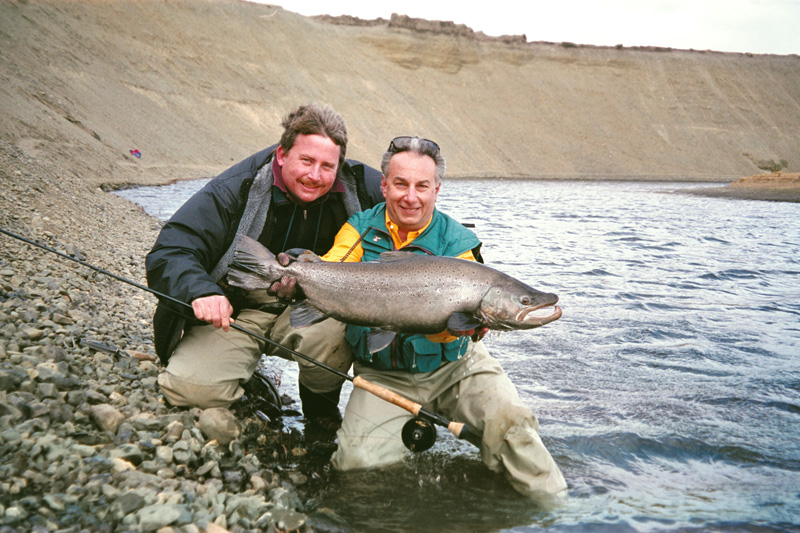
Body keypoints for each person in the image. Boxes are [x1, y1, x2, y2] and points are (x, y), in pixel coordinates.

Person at [320, 136, 568, 498]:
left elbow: (465, 327)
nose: (411, 197)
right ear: (384, 185)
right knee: (356, 468)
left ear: (436, 190)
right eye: (401, 184)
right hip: (382, 373)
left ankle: (557, 510)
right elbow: (331, 270)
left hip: (456, 367)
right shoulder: (358, 229)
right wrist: (301, 277)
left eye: (422, 186)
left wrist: (463, 329)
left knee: (513, 426)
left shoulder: (459, 242)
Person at [145, 103, 382, 429]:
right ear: (281, 154)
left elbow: (429, 225)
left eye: (327, 166)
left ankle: (320, 411)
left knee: (337, 337)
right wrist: (200, 291)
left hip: (314, 308)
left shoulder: (369, 187)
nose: (315, 176)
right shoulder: (233, 189)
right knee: (189, 391)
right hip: (237, 310)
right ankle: (251, 383)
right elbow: (171, 250)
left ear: (339, 165)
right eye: (307, 161)